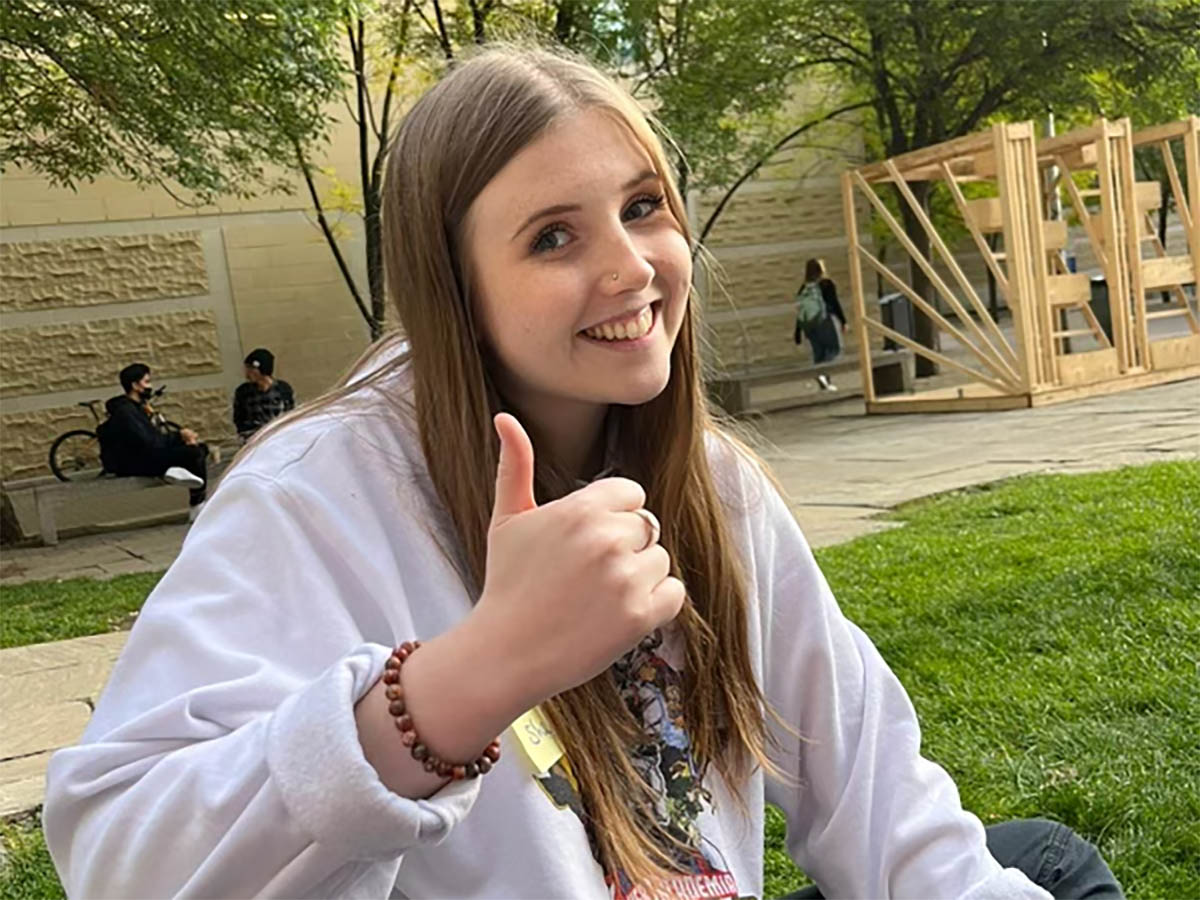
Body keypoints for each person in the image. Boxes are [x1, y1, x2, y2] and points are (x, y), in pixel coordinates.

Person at [43, 47, 1122, 900]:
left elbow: (876, 796)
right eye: (552, 237)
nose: (628, 268)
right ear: (454, 290)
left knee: (1038, 861)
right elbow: (122, 853)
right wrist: (463, 684)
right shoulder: (316, 493)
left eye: (642, 206)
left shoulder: (707, 483)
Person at [97, 362, 209, 520]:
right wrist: (179, 436)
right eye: (147, 382)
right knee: (194, 453)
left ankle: (172, 474)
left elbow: (153, 440)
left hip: (147, 455)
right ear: (135, 385)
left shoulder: (136, 408)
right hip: (133, 462)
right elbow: (148, 441)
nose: (150, 386)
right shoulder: (126, 411)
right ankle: (196, 504)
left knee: (200, 449)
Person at [794, 258, 847, 391]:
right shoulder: (826, 284)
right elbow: (835, 304)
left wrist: (798, 331)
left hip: (809, 325)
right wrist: (843, 321)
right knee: (834, 349)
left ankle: (825, 383)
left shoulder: (803, 288)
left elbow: (800, 311)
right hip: (824, 321)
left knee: (819, 354)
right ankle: (822, 374)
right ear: (820, 269)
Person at [232, 347, 295, 440]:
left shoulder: (283, 389)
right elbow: (239, 419)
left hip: (279, 436)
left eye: (250, 368)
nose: (247, 373)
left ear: (261, 370)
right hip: (255, 439)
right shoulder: (243, 392)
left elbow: (290, 414)